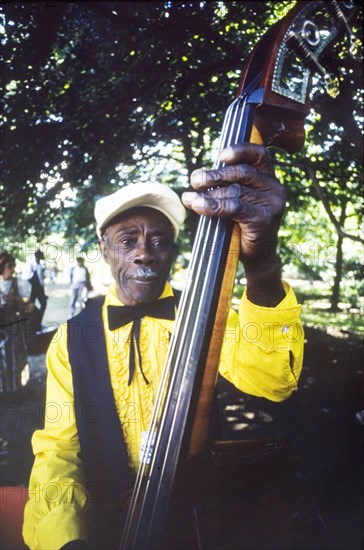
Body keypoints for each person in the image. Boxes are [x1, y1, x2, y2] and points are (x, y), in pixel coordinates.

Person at [23, 143, 304, 550]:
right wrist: (65, 539)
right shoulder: (72, 337)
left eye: (158, 241)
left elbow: (273, 380)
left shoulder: (204, 313)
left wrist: (260, 266)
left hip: (199, 521)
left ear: (172, 251)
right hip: (106, 526)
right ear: (104, 248)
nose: (143, 253)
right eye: (127, 240)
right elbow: (57, 451)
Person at [0, 251, 33, 393]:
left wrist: (16, 299)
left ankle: (17, 388)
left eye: (14, 265)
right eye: (9, 266)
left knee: (17, 353)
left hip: (15, 325)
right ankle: (4, 389)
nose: (12, 269)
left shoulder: (19, 283)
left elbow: (29, 305)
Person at [21, 249, 48, 324]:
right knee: (31, 306)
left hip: (40, 289)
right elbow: (25, 277)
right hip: (32, 288)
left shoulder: (41, 265)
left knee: (44, 304)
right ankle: (33, 323)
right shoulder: (30, 264)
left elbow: (41, 279)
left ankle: (39, 320)